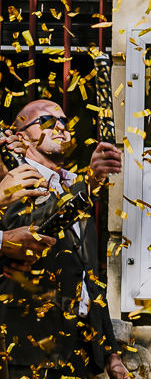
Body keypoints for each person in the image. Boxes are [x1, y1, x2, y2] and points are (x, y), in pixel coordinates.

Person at [0, 99, 126, 379]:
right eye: (45, 122)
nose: (59, 127)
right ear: (22, 137)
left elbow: (88, 276)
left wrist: (111, 354)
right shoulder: (14, 183)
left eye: (63, 122)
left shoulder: (72, 187)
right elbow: (38, 230)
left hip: (79, 352)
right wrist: (89, 184)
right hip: (33, 353)